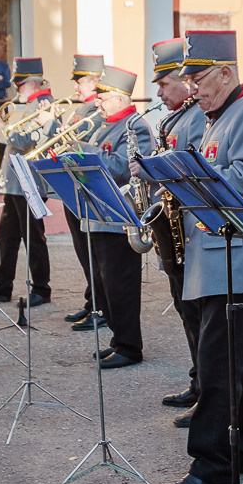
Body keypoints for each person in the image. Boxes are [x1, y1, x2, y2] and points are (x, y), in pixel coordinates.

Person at [161, 29, 243, 484]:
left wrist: (182, 178)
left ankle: (211, 466)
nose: (194, 88)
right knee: (236, 361)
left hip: (237, 258)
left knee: (216, 368)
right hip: (215, 258)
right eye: (189, 79)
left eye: (201, 78)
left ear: (227, 72)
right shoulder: (216, 117)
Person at [147, 39, 209, 416]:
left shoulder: (199, 116)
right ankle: (198, 379)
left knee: (198, 315)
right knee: (187, 312)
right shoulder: (175, 118)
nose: (159, 93)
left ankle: (206, 388)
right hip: (175, 229)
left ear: (184, 83)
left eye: (164, 84)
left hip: (193, 230)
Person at [83, 64, 156, 368]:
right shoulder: (102, 125)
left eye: (102, 96)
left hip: (122, 217)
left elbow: (120, 167)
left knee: (121, 285)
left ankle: (129, 346)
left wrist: (85, 150)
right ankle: (117, 339)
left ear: (121, 98)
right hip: (100, 214)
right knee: (105, 284)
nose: (96, 101)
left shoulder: (134, 126)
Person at [0, 60, 56, 306]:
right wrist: (1, 121)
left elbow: (27, 141)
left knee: (33, 237)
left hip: (30, 181)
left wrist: (1, 130)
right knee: (8, 235)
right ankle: (2, 285)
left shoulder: (44, 104)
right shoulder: (25, 103)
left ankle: (41, 288)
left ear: (34, 81)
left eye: (20, 83)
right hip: (15, 182)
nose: (17, 88)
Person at [63, 55, 105, 328]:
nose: (76, 88)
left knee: (92, 251)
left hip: (87, 187)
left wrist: (56, 130)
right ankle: (92, 301)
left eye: (79, 82)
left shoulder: (96, 112)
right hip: (73, 185)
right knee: (83, 251)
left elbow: (88, 147)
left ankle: (99, 306)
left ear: (93, 82)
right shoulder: (80, 109)